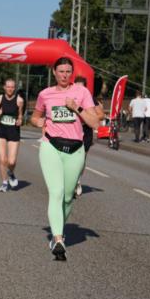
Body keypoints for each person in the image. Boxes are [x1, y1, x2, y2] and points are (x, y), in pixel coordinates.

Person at [30, 57, 98, 260]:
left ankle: (59, 229)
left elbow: (94, 122)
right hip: (51, 145)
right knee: (56, 192)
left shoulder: (81, 92)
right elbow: (34, 117)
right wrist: (38, 121)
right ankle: (57, 238)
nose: (64, 75)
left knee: (68, 197)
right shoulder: (45, 94)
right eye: (61, 71)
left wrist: (76, 108)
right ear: (54, 72)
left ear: (72, 73)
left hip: (75, 149)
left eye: (68, 72)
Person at [72, 75, 103, 197]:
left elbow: (100, 115)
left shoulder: (90, 99)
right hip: (72, 131)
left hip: (86, 131)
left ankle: (77, 180)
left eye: (82, 87)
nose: (79, 90)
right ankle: (70, 180)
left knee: (81, 159)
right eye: (77, 87)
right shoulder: (69, 97)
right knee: (71, 158)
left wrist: (87, 117)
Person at [0, 78, 25, 192]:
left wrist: (20, 120)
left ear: (14, 88)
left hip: (13, 131)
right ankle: (4, 183)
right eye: (8, 87)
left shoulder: (19, 100)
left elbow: (20, 115)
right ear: (4, 87)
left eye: (12, 87)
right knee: (2, 159)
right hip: (0, 130)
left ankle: (10, 173)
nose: (10, 89)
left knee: (11, 161)